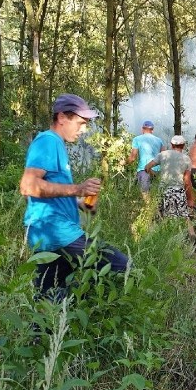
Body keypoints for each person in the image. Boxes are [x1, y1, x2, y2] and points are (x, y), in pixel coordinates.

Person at [20, 93, 129, 295]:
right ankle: (104, 314)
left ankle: (57, 325)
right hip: (58, 232)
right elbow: (28, 186)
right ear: (62, 117)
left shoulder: (56, 143)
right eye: (80, 123)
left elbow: (40, 191)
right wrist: (77, 188)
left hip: (47, 234)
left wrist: (78, 201)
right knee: (123, 267)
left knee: (51, 297)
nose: (84, 129)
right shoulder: (48, 141)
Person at [146, 135, 196, 237]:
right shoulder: (186, 159)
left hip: (163, 190)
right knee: (185, 215)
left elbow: (147, 167)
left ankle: (153, 237)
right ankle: (192, 236)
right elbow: (186, 181)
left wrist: (155, 175)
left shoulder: (162, 155)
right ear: (183, 146)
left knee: (159, 215)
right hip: (178, 191)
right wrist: (190, 198)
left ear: (171, 144)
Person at [127, 120, 164, 199]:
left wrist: (124, 162)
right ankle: (156, 209)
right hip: (157, 171)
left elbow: (133, 158)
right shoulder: (159, 140)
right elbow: (164, 157)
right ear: (152, 130)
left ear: (142, 129)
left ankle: (149, 211)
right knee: (156, 194)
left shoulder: (137, 139)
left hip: (143, 170)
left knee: (145, 193)